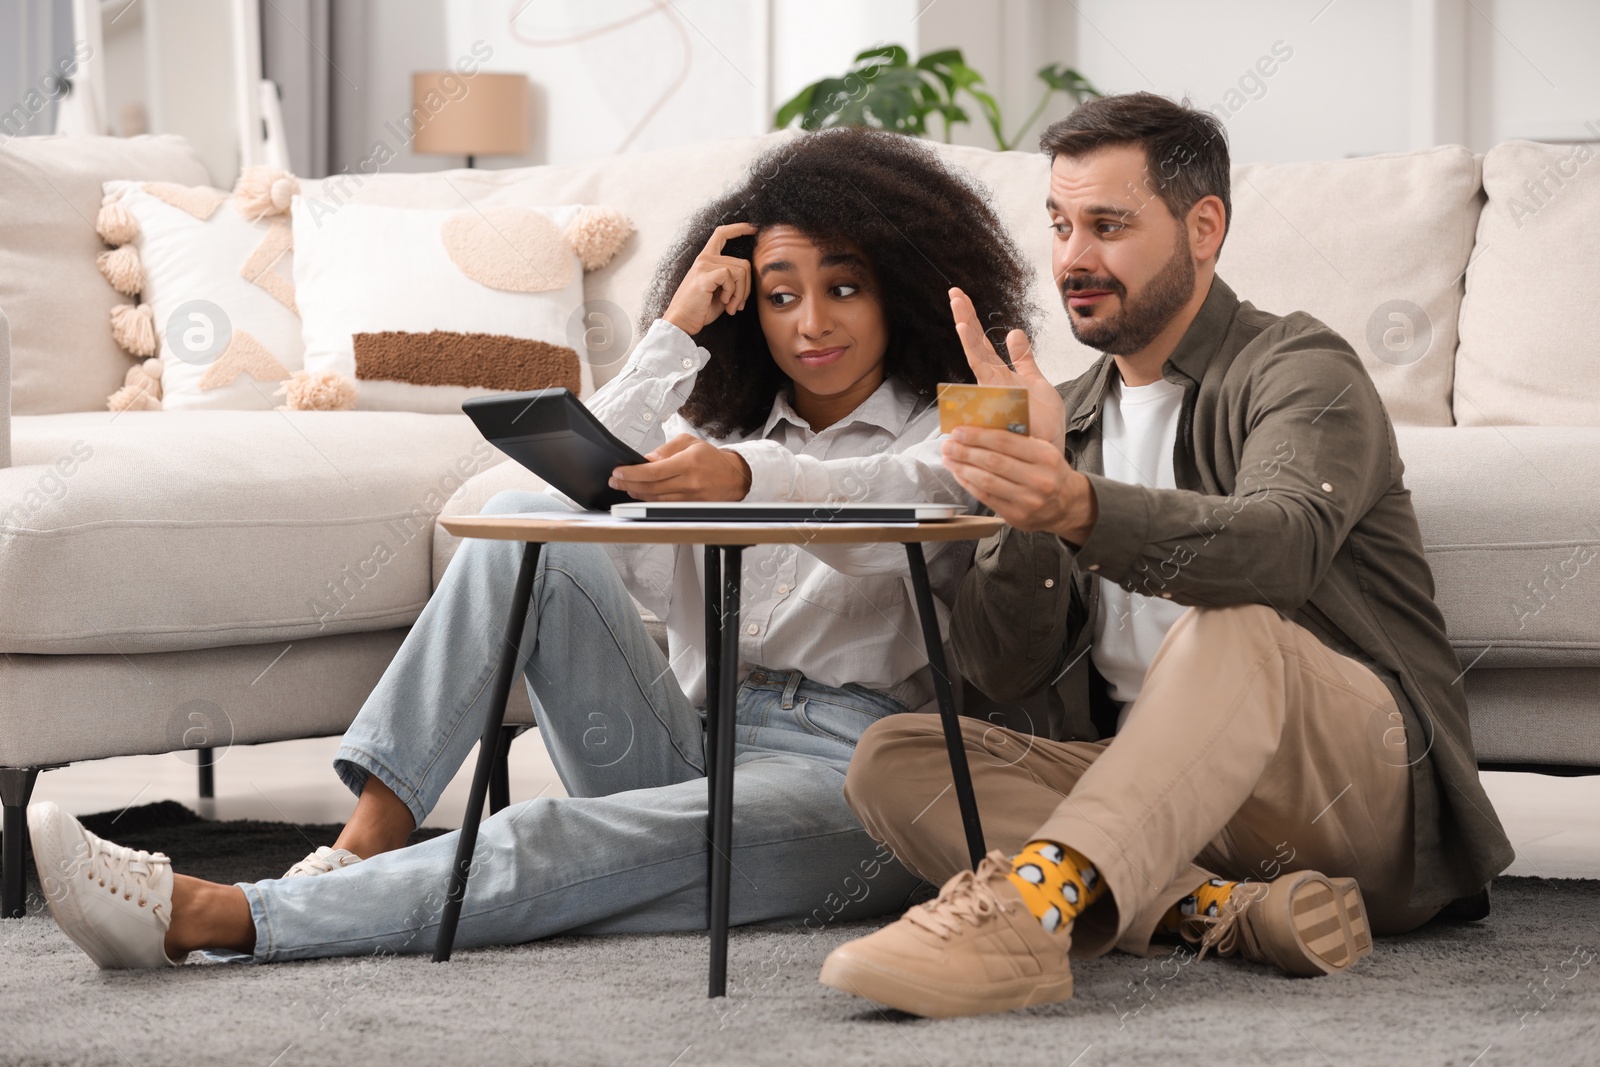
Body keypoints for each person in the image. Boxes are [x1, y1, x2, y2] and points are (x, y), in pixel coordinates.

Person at [25, 127, 1040, 969]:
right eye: (779, 294)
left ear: (898, 287)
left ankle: (219, 916)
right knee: (524, 530)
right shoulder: (727, 436)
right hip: (686, 739)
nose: (809, 322)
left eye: (842, 288)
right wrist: (676, 330)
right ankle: (362, 838)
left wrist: (748, 482)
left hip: (859, 778)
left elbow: (893, 509)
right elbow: (587, 499)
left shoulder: (954, 428)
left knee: (554, 833)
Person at [817, 92, 1515, 1019]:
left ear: (1203, 227)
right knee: (894, 757)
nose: (1073, 257)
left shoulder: (1301, 367)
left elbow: (1282, 550)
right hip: (1162, 805)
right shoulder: (1061, 409)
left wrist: (1077, 503)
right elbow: (1002, 667)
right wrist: (1030, 505)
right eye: (1061, 225)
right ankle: (1221, 909)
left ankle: (1034, 910)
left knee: (1236, 626)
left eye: (1108, 225)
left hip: (1351, 793)